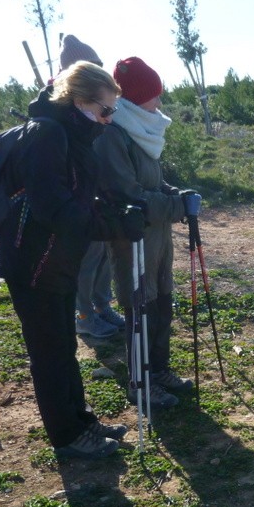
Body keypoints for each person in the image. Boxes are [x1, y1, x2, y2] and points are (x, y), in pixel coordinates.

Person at [0, 61, 145, 459]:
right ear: (79, 100)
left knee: (63, 346)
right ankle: (66, 436)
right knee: (50, 352)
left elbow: (79, 196)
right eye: (105, 109)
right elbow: (55, 208)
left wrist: (117, 214)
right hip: (33, 263)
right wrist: (110, 226)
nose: (108, 119)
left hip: (55, 262)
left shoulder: (71, 134)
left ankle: (81, 420)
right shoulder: (46, 134)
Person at [96, 57, 197, 409]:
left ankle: (160, 370)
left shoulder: (141, 130)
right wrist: (176, 208)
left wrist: (176, 194)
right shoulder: (113, 135)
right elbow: (129, 195)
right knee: (139, 309)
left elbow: (153, 182)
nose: (160, 103)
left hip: (158, 237)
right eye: (154, 96)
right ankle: (140, 383)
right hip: (131, 237)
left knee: (161, 303)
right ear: (137, 98)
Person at [57, 35, 126, 339]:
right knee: (86, 262)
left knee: (102, 257)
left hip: (95, 197)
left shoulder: (97, 110)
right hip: (78, 204)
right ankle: (84, 314)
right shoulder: (60, 115)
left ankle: (102, 307)